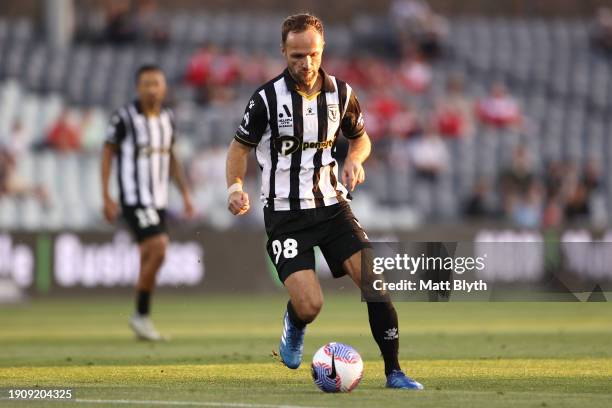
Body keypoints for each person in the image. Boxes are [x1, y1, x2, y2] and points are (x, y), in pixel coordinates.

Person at [225, 13, 423, 390]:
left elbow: (362, 139)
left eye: (312, 54)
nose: (306, 63)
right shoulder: (266, 99)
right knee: (310, 305)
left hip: (333, 207)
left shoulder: (342, 94)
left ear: (323, 49)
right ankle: (294, 324)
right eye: (297, 55)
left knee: (375, 284)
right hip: (285, 214)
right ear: (283, 51)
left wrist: (353, 159)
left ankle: (394, 372)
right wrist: (235, 187)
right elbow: (239, 148)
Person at [101, 65, 194, 341]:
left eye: (157, 83)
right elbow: (107, 154)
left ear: (164, 88)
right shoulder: (124, 118)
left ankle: (142, 316)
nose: (152, 89)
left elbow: (172, 158)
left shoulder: (168, 118)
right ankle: (140, 316)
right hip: (133, 199)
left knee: (149, 256)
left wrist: (186, 194)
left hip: (159, 201)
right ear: (137, 88)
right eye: (147, 84)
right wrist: (106, 195)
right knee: (160, 248)